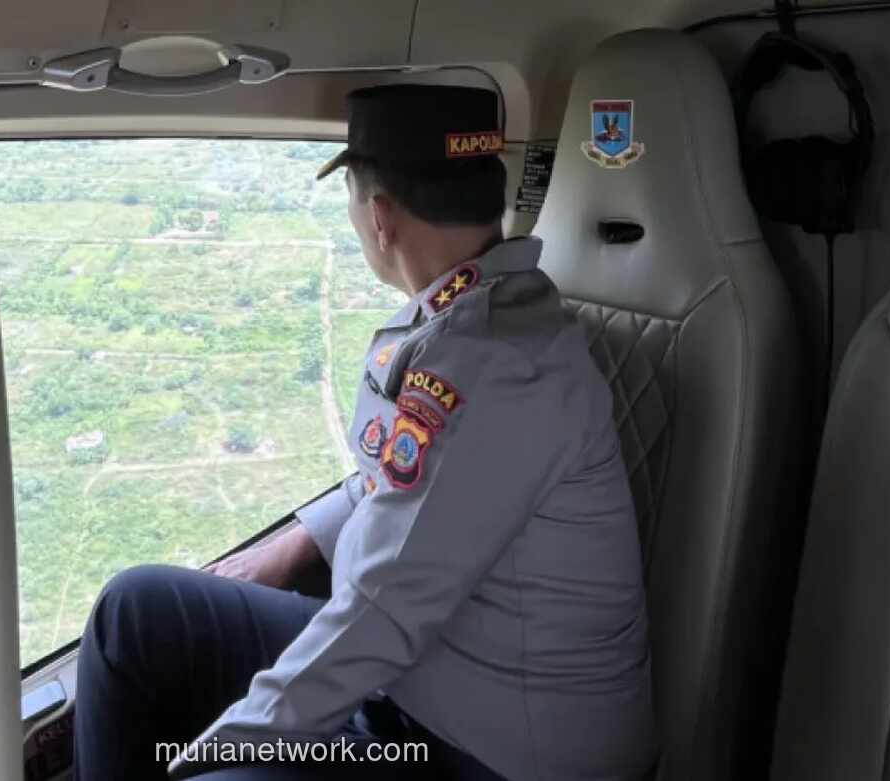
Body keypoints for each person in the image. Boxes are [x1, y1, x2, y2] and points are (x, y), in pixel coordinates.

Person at [73, 84, 657, 781]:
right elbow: (413, 479)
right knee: (133, 614)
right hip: (424, 670)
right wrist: (295, 543)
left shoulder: (494, 365)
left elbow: (378, 617)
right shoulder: (473, 314)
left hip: (491, 745)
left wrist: (208, 755)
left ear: (380, 218)